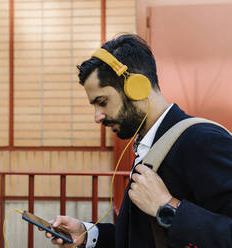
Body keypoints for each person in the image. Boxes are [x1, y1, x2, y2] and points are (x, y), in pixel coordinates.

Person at [44, 34, 232, 247]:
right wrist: (88, 235)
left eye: (102, 102)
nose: (97, 116)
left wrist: (167, 207)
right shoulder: (150, 144)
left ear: (137, 87)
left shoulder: (203, 141)